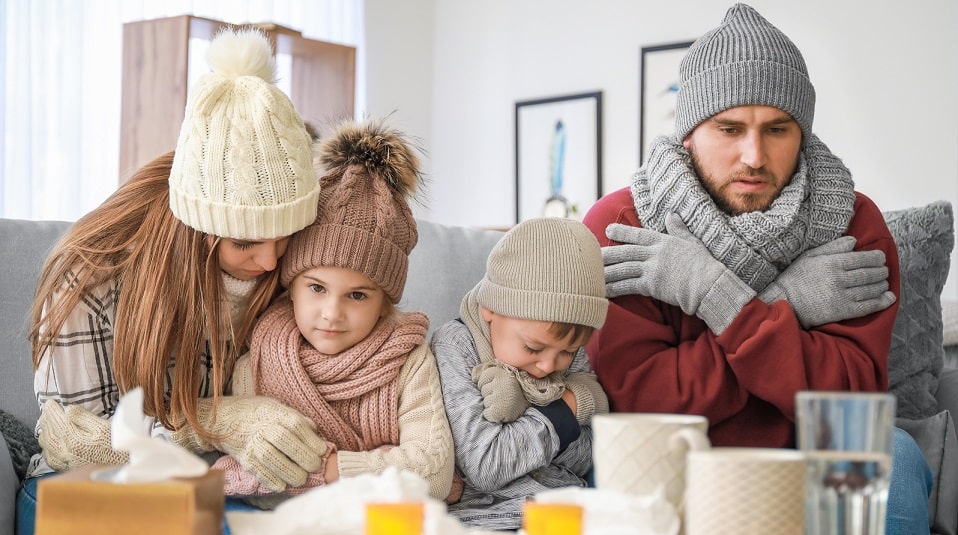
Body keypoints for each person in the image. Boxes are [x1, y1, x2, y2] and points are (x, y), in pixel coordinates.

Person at [581, 4, 933, 534]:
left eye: (777, 129)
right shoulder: (623, 224)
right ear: (689, 133)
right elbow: (640, 404)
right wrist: (789, 303)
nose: (753, 156)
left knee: (894, 454)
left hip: (808, 456)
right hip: (677, 463)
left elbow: (850, 401)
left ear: (803, 134)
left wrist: (719, 297)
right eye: (729, 128)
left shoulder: (850, 222)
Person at [17, 28, 325, 534]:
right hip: (79, 491)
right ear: (196, 227)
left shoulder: (287, 271)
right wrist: (221, 421)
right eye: (245, 242)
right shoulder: (94, 277)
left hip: (210, 486)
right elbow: (77, 448)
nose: (271, 262)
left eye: (285, 236)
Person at [206, 118, 456, 509]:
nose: (332, 313)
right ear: (291, 288)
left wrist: (327, 468)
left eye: (357, 295)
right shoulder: (257, 358)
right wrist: (384, 468)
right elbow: (255, 479)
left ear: (384, 301)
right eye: (317, 288)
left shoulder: (408, 358)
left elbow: (434, 472)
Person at [430, 217, 610, 531]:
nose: (549, 367)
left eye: (568, 353)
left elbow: (588, 455)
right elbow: (485, 465)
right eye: (532, 347)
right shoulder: (456, 346)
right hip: (490, 519)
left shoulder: (564, 347)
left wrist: (523, 411)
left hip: (569, 511)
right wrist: (565, 408)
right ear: (490, 308)